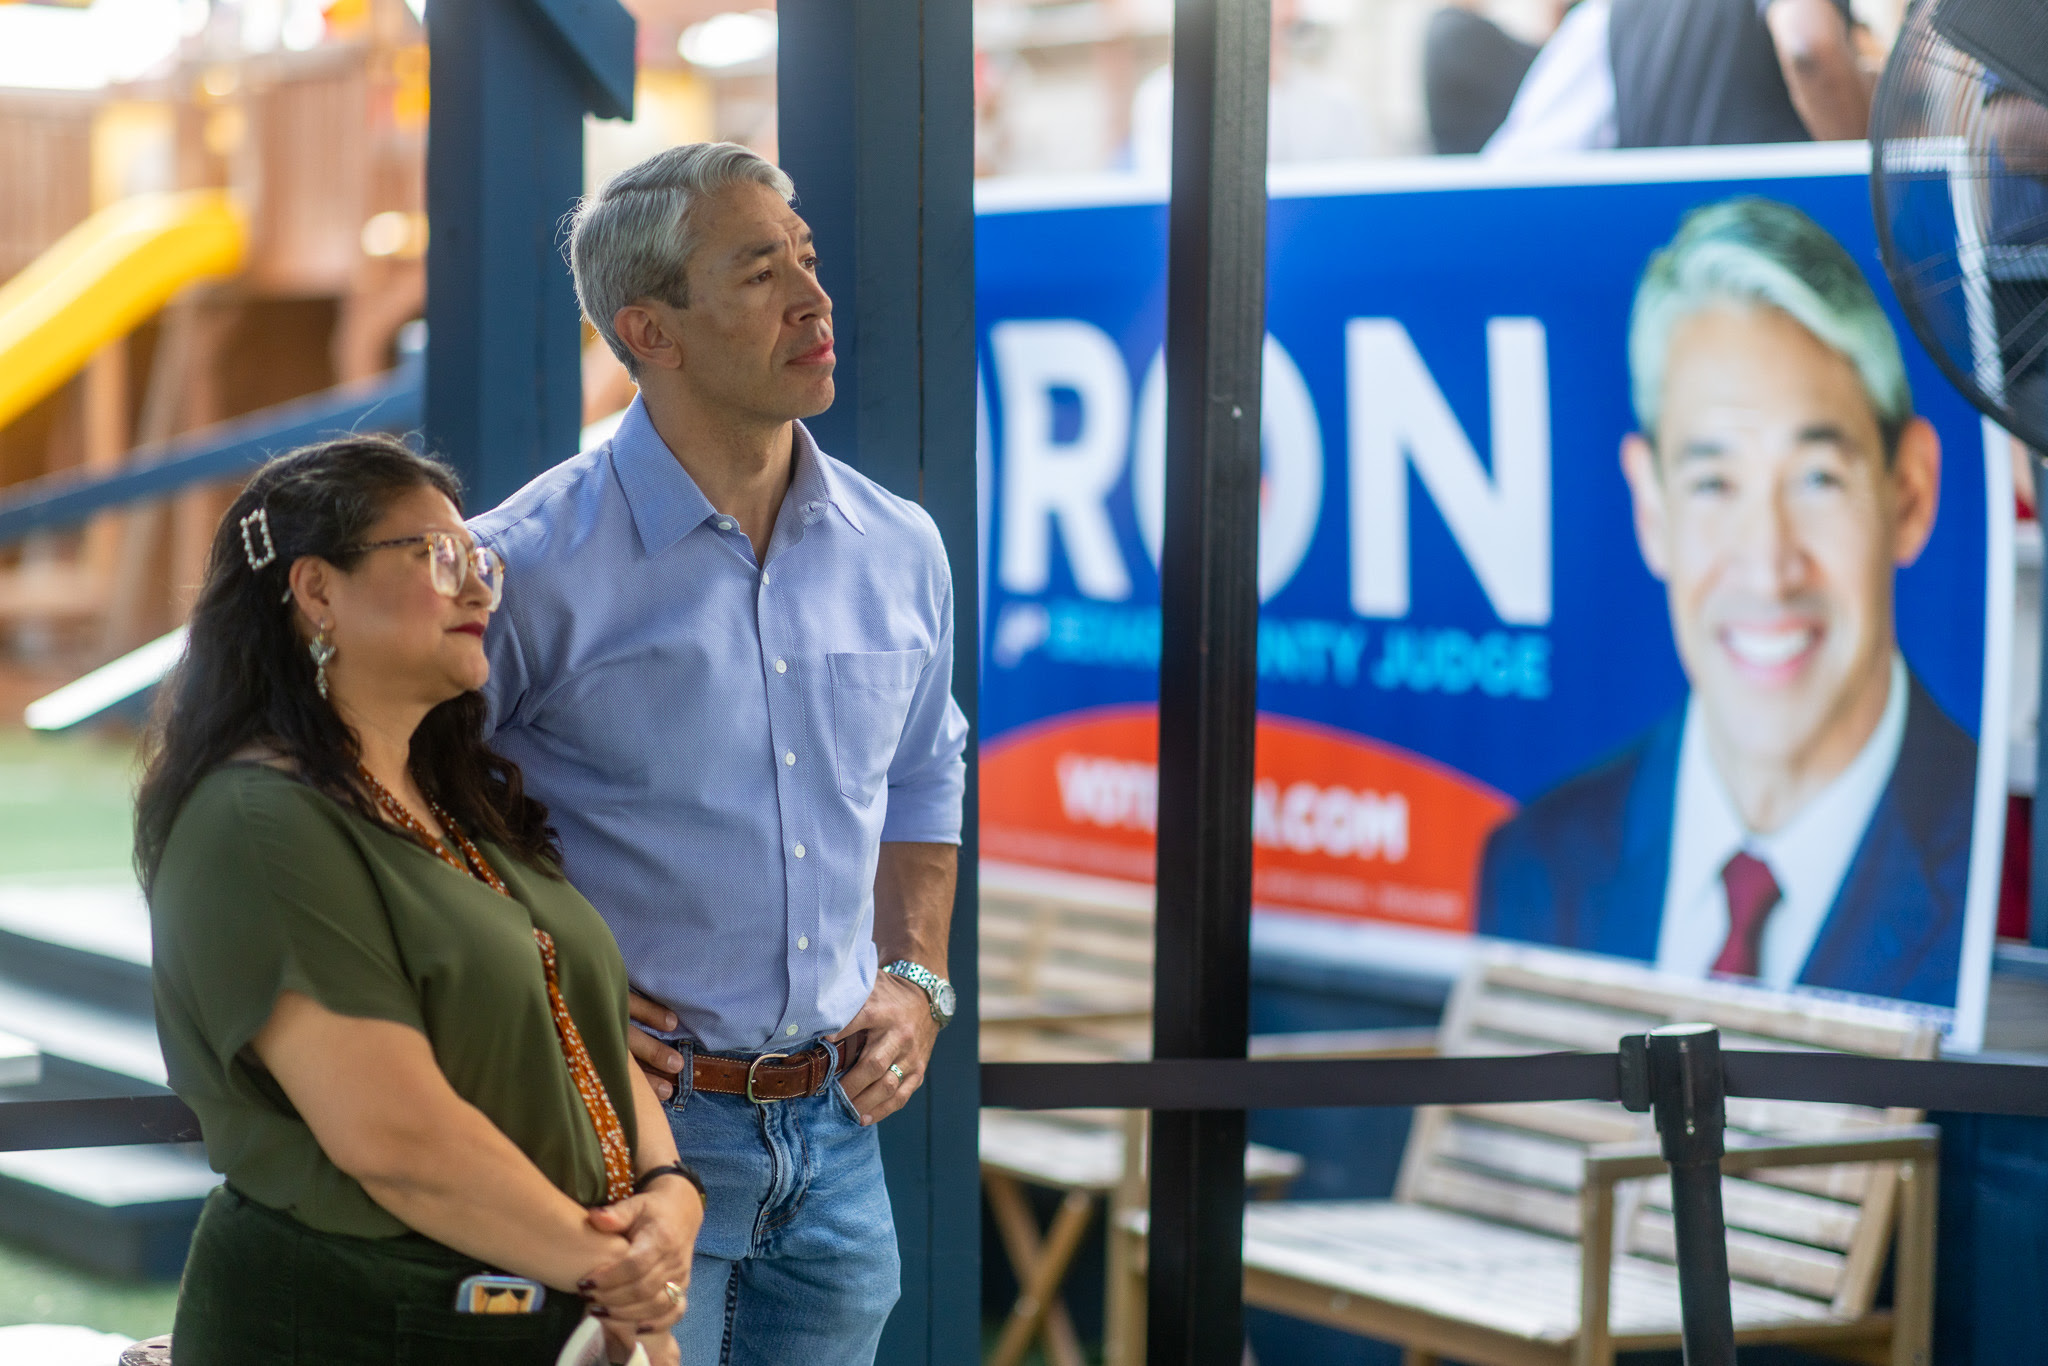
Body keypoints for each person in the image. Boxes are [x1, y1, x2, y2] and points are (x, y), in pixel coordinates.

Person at [470, 142, 969, 1366]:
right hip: (621, 1138)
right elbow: (396, 809)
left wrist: (917, 976)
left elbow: (922, 767)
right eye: (759, 273)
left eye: (804, 259)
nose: (814, 297)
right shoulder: (520, 564)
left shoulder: (900, 546)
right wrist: (537, 985)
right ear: (651, 330)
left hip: (839, 1140)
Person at [142, 437, 703, 1365]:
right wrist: (615, 1278)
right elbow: (393, 1137)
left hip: (538, 1305)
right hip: (355, 1325)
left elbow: (581, 1025)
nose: (480, 589)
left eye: (479, 561)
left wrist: (670, 1194)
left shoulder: (456, 803)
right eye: (440, 559)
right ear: (317, 592)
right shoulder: (255, 822)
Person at [1478, 198, 1976, 1008]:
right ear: (1652, 509)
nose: (1770, 568)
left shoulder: (2016, 874)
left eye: (1817, 479)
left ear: (1910, 494)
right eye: (1713, 483)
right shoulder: (1537, 868)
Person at [1485, 0, 1869, 154]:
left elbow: (1517, 163)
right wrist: (1863, 181)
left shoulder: (1605, 17)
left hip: (1679, 276)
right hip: (1782, 249)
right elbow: (1810, 49)